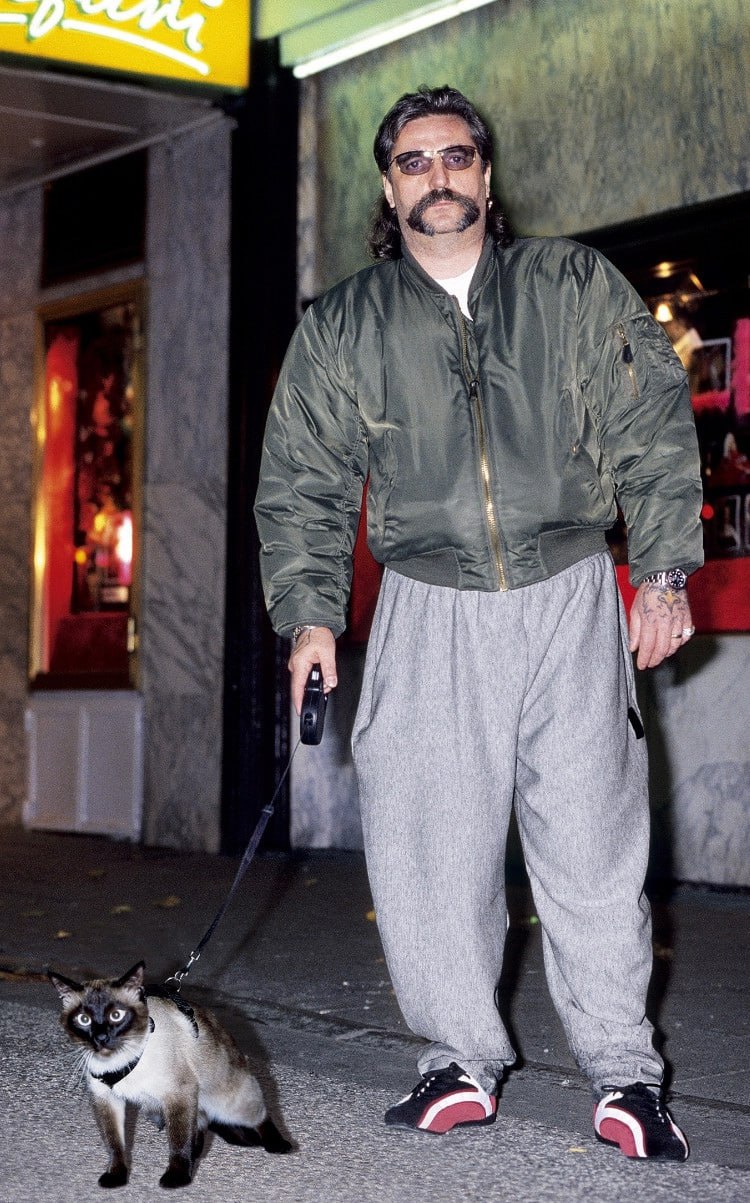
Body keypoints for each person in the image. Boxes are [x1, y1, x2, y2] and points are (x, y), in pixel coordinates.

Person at [255, 85, 703, 1160]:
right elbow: (306, 481)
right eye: (415, 162)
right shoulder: (344, 324)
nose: (438, 176)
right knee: (428, 844)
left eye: (457, 156)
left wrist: (662, 572)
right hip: (426, 606)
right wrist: (310, 618)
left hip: (568, 590)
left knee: (593, 841)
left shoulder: (571, 286)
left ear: (487, 177)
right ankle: (458, 1056)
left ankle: (626, 1075)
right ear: (388, 187)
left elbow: (649, 425)